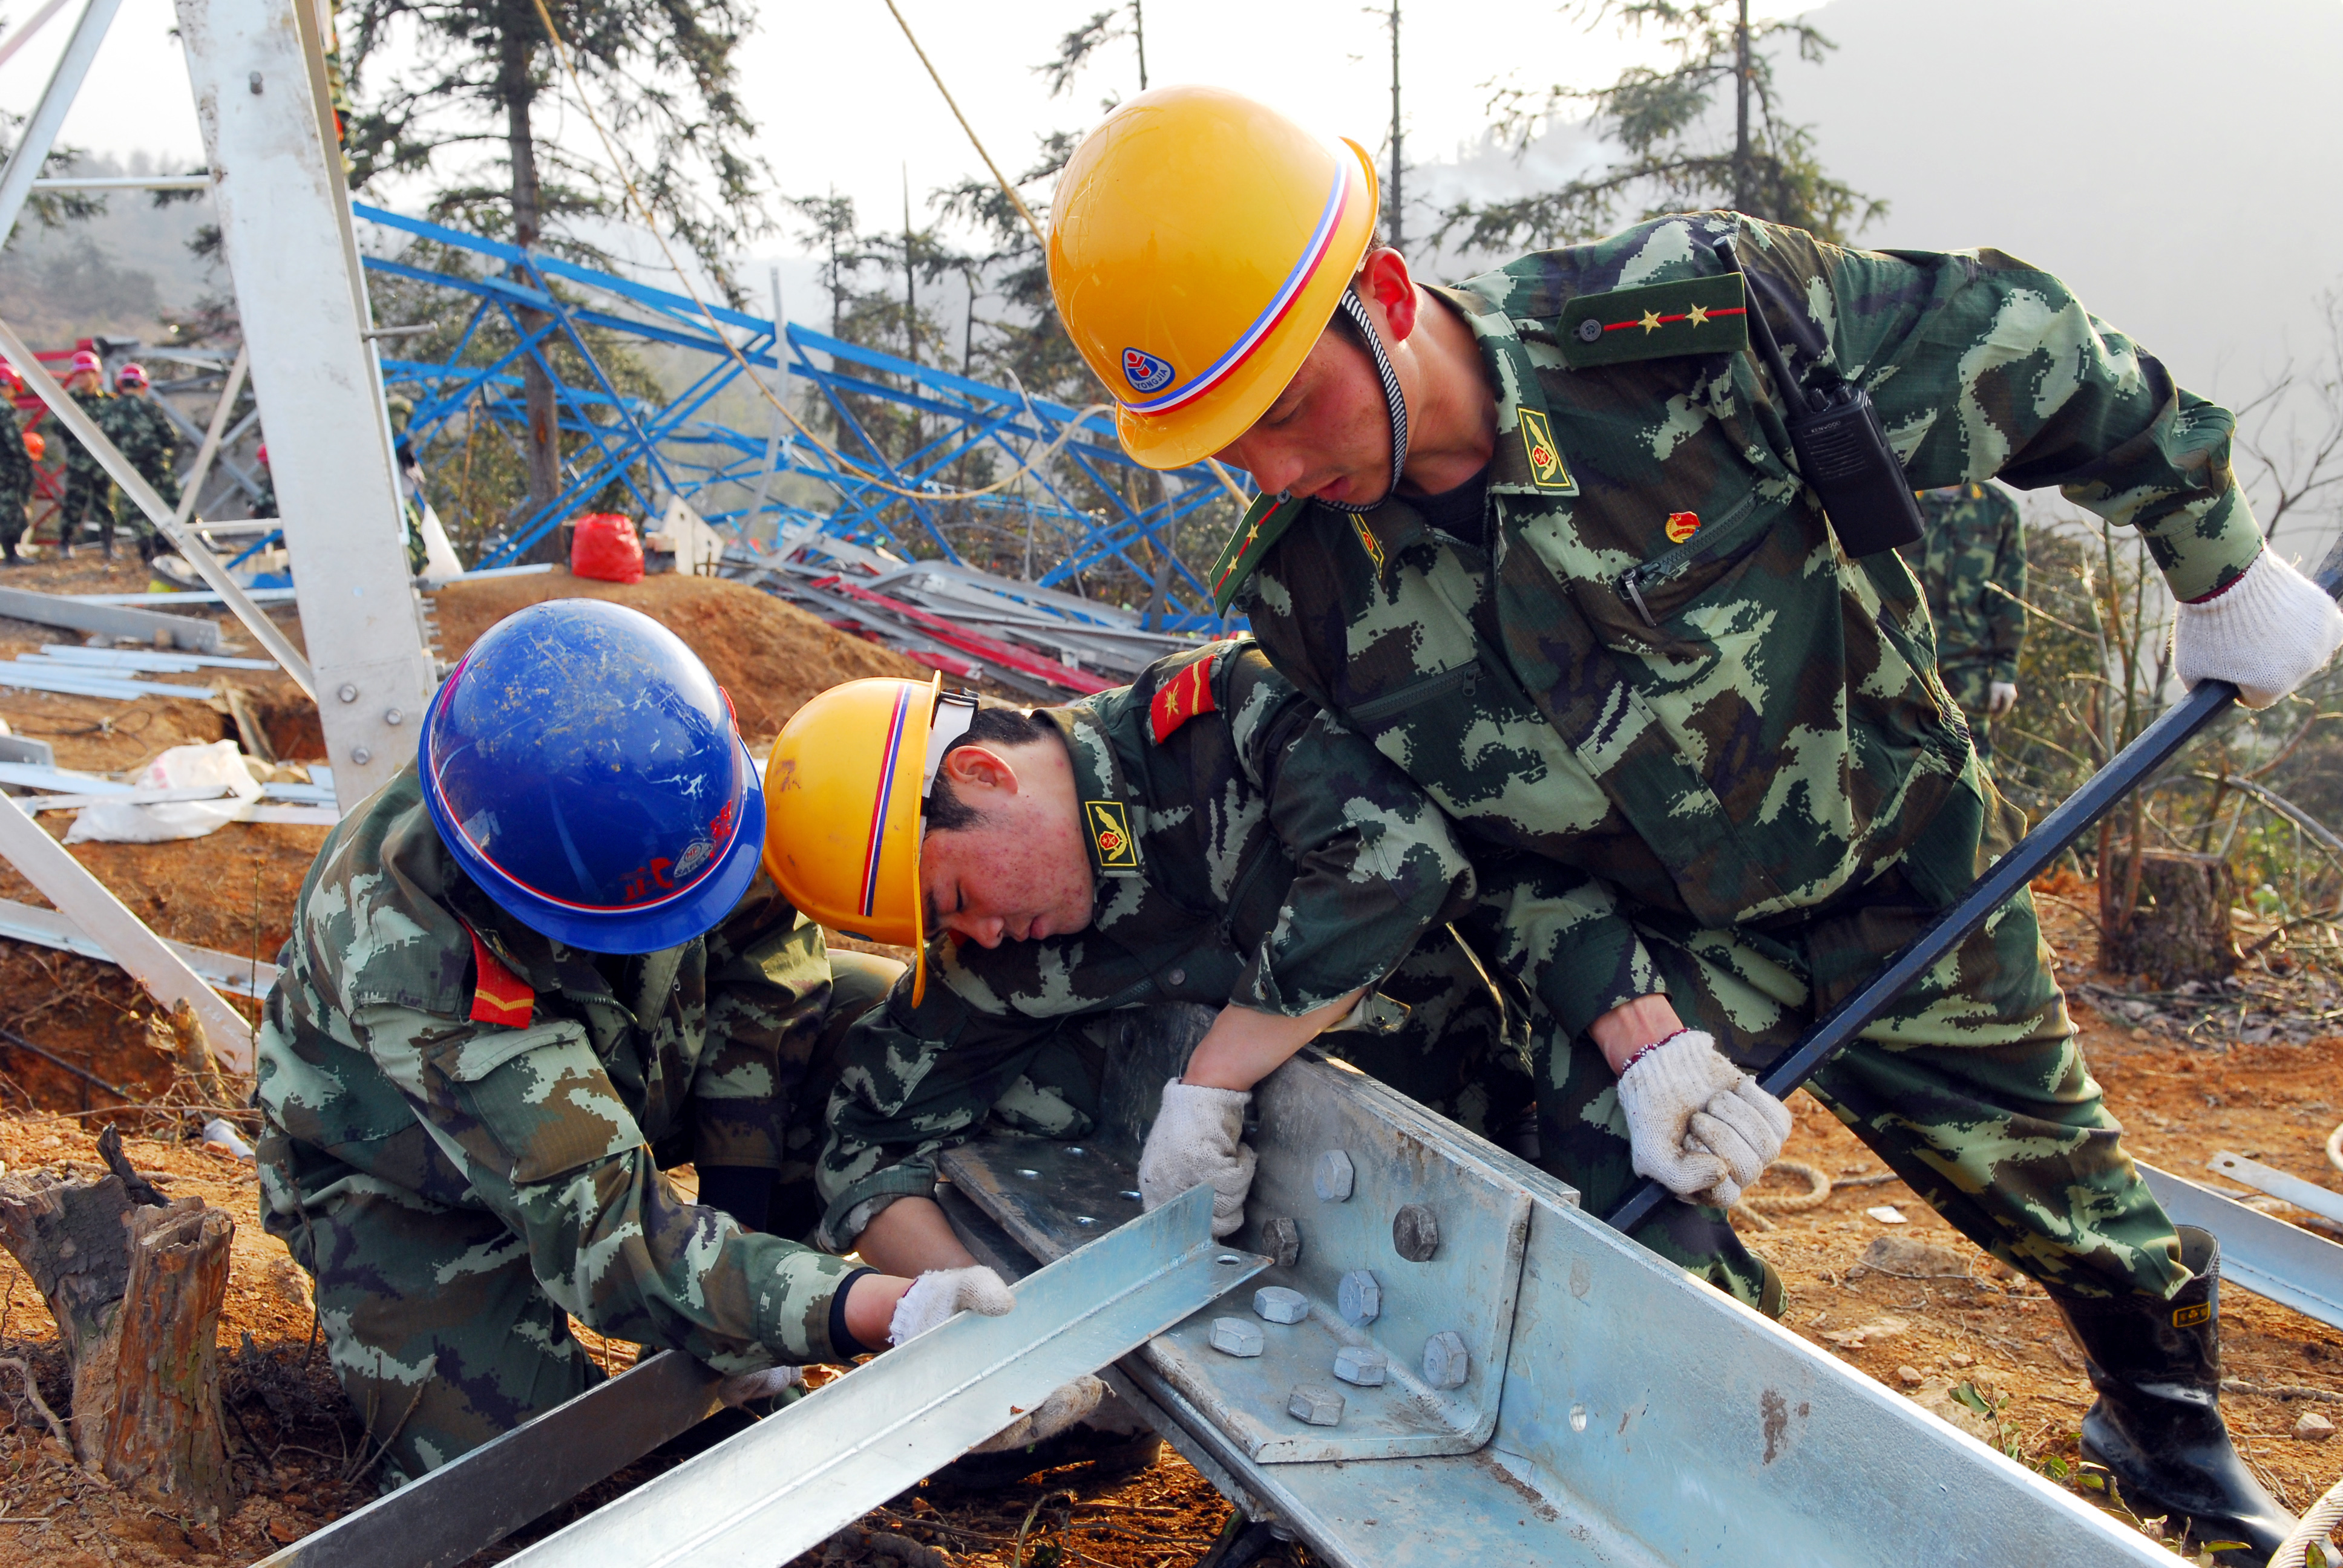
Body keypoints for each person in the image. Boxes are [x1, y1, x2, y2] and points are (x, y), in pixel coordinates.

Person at [1044, 85, 2343, 1560]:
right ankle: (1720, 1500)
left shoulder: (1690, 330)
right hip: (1661, 942)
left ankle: (2166, 1428)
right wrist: (1633, 1029)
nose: (1272, 470)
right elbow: (1491, 861)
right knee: (1623, 1246)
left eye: (1282, 406)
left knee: (2074, 1212)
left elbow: (2035, 356)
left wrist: (2214, 556)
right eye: (1223, 443)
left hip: (1897, 868)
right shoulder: (1307, 584)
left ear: (1386, 294)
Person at [255, 599, 1073, 1485]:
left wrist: (741, 1226)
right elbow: (603, 1228)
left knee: (872, 1016)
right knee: (530, 1483)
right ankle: (715, 1313)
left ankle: (731, 1315)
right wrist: (873, 1310)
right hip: (414, 1176)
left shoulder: (685, 788)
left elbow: (769, 966)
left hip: (636, 1066)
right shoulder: (412, 945)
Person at [764, 642, 1519, 1278]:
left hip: (1514, 1116)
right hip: (1293, 1258)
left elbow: (1398, 858)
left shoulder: (1219, 716)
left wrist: (1211, 1082)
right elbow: (866, 1142)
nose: (980, 934)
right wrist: (974, 1314)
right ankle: (1088, 1420)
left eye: (956, 893)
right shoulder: (996, 955)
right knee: (1011, 1098)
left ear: (982, 775)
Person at [1902, 482, 2027, 766]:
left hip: (1969, 665)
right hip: (1904, 658)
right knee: (1900, 769)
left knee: (1973, 768)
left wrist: (2005, 672)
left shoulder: (1997, 509)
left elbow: (2010, 596)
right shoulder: (1899, 496)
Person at [97, 362, 180, 559]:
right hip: (157, 466)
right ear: (143, 386)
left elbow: (104, 440)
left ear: (121, 385)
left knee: (137, 510)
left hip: (128, 469)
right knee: (173, 503)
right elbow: (171, 438)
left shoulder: (110, 410)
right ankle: (193, 544)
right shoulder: (151, 409)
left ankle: (147, 551)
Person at [56, 348, 110, 558]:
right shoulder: (69, 402)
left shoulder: (107, 402)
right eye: (78, 374)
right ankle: (65, 544)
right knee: (74, 503)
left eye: (86, 373)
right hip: (79, 461)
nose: (81, 378)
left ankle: (108, 546)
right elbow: (56, 426)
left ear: (95, 375)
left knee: (104, 504)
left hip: (102, 462)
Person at [0, 364, 33, 565]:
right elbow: (14, 445)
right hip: (7, 471)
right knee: (9, 511)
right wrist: (25, 462)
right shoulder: (4, 411)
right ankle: (11, 554)